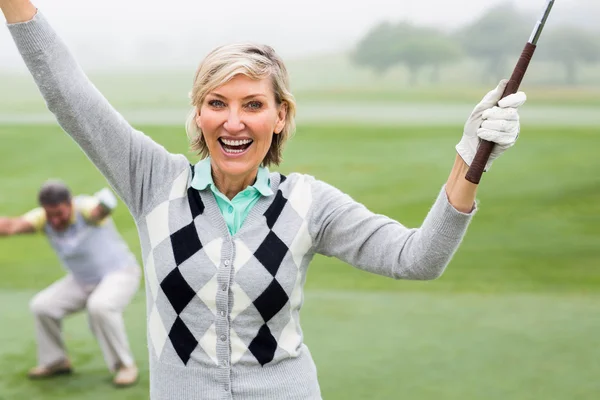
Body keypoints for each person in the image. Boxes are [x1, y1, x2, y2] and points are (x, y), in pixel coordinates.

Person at [2, 2, 527, 399]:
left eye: (253, 104)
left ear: (279, 117)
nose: (233, 122)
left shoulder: (308, 203)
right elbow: (68, 94)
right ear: (198, 114)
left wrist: (469, 157)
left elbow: (418, 259)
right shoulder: (153, 182)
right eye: (217, 104)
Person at [0, 180, 141, 387]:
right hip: (82, 281)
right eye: (50, 215)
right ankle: (55, 361)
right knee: (42, 306)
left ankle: (125, 366)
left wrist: (101, 209)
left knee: (100, 306)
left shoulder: (84, 208)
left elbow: (101, 209)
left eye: (60, 214)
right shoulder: (42, 219)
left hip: (120, 274)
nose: (55, 221)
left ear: (70, 203)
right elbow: (11, 226)